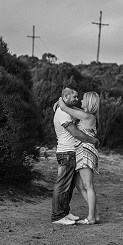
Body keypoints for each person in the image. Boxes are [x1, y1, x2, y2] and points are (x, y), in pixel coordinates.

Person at [51, 86, 100, 226]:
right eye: (78, 97)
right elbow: (69, 109)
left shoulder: (87, 116)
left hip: (85, 151)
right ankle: (94, 214)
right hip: (80, 151)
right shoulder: (84, 114)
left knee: (88, 185)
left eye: (83, 98)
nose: (80, 100)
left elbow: (67, 109)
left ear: (89, 102)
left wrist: (61, 101)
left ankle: (92, 217)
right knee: (79, 185)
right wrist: (61, 100)